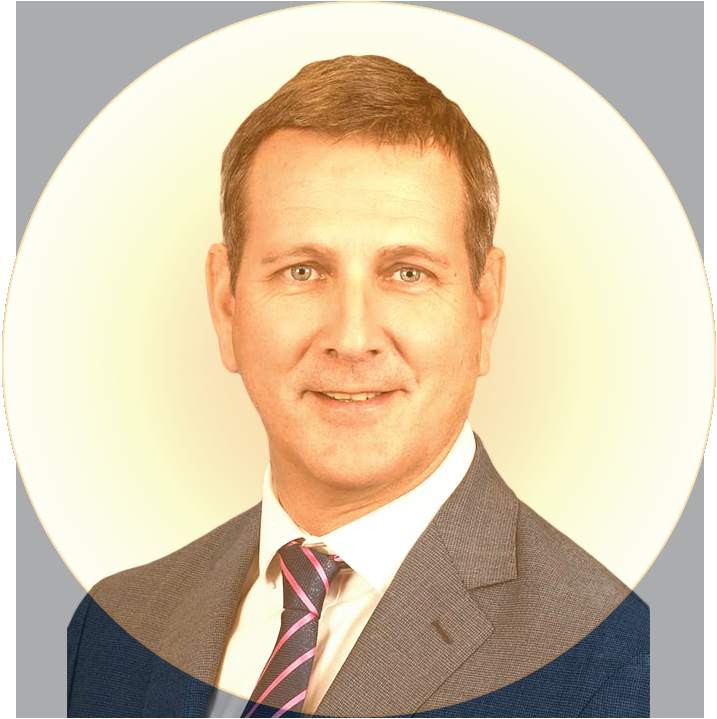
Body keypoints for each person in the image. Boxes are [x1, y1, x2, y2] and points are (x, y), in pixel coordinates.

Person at [67, 55, 649, 718]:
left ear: (485, 307)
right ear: (226, 304)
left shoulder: (621, 663)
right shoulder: (107, 630)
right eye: (301, 271)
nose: (351, 336)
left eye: (407, 273)